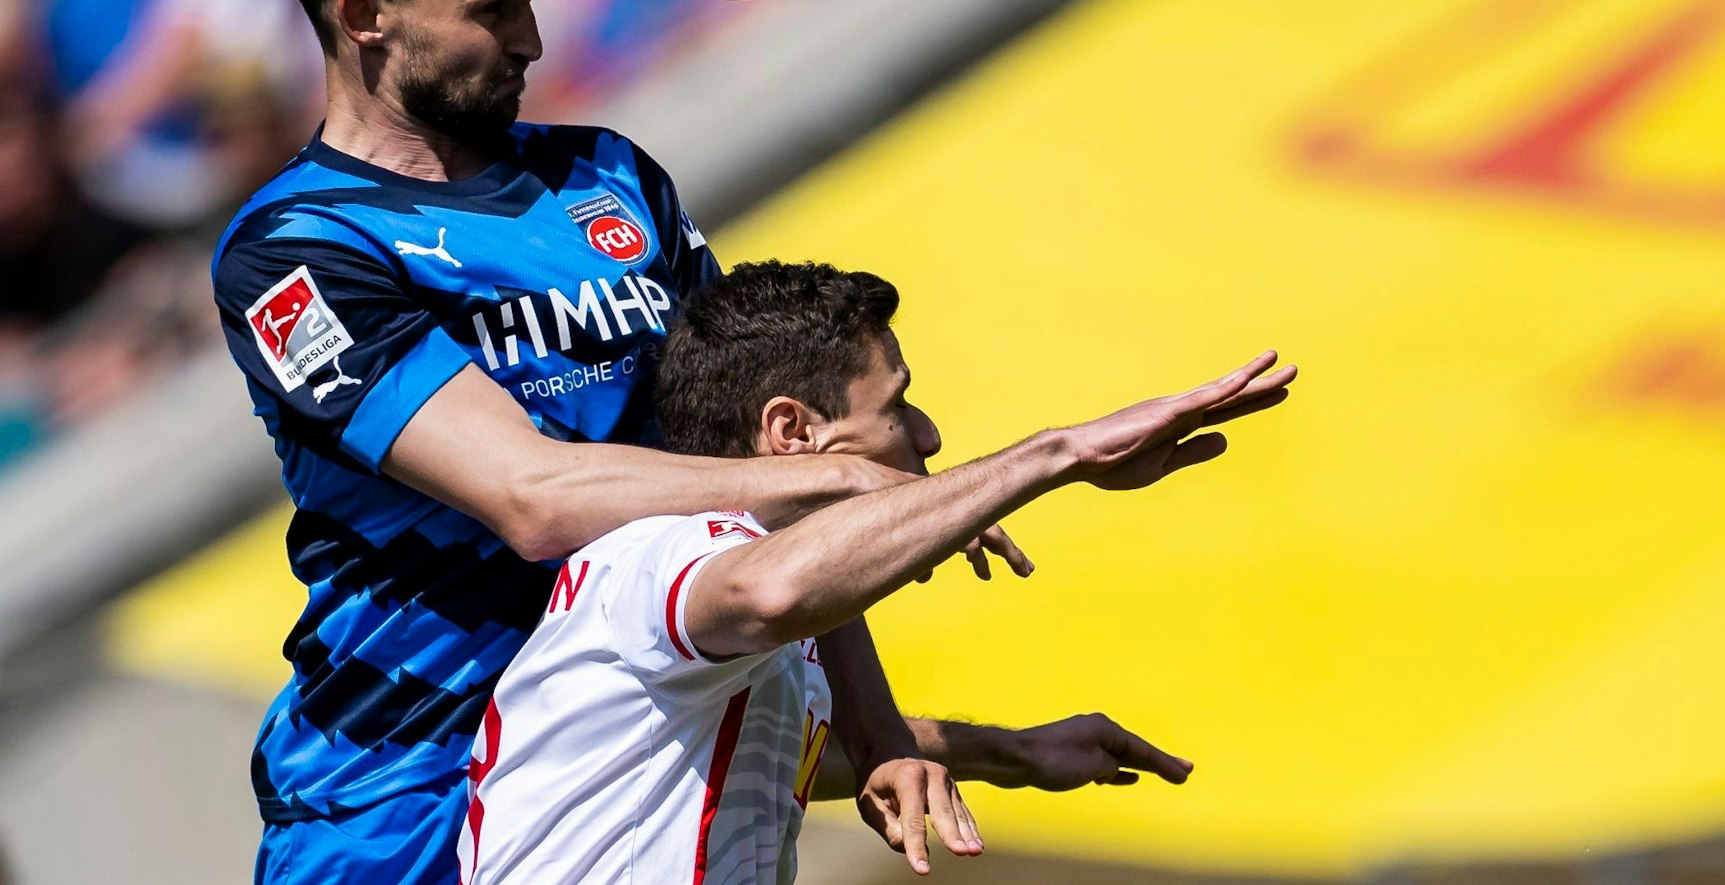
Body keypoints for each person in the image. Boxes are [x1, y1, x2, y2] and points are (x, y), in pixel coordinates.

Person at [212, 0, 1021, 885]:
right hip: (404, 795)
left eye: (532, 2)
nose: (532, 41)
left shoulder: (611, 181)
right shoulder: (298, 254)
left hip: (619, 760)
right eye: (494, 8)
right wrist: (848, 480)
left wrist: (876, 734)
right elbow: (534, 496)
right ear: (366, 16)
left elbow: (756, 481)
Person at [459, 261, 1294, 883]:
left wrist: (1011, 753)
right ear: (791, 431)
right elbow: (766, 592)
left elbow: (773, 756)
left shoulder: (744, 623)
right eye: (895, 406)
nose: (925, 434)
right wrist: (1060, 453)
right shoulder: (665, 547)